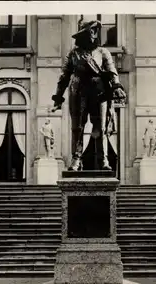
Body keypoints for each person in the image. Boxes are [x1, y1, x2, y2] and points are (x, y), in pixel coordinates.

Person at [51, 20, 126, 171]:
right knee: (77, 128)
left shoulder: (103, 52)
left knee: (101, 127)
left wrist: (117, 86)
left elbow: (112, 71)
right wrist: (58, 97)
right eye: (89, 32)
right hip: (78, 91)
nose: (92, 35)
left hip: (99, 93)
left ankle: (103, 159)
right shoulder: (74, 54)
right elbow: (64, 76)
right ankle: (76, 159)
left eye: (94, 32)